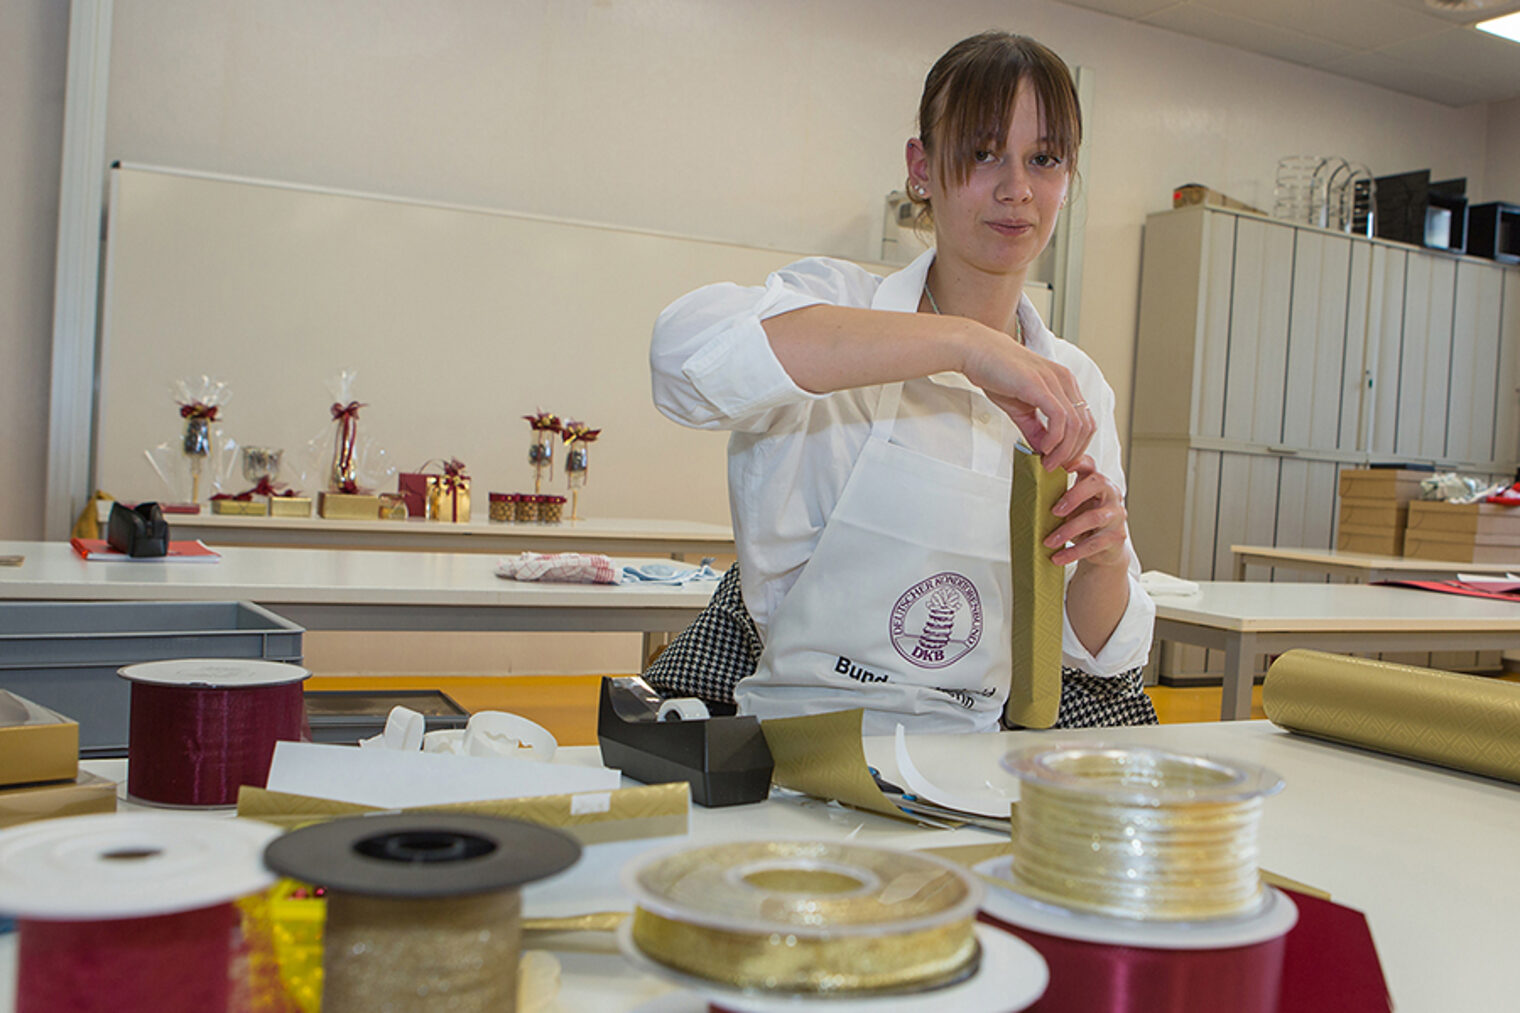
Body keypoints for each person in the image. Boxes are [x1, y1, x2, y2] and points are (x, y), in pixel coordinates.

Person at [648, 31, 1155, 734]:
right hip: (798, 750)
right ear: (920, 167)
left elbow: (1092, 654)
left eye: (1043, 159)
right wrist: (963, 345)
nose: (1016, 188)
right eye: (983, 153)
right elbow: (682, 361)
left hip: (972, 767)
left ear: (1068, 179)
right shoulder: (839, 308)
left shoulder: (1077, 384)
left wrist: (1104, 558)